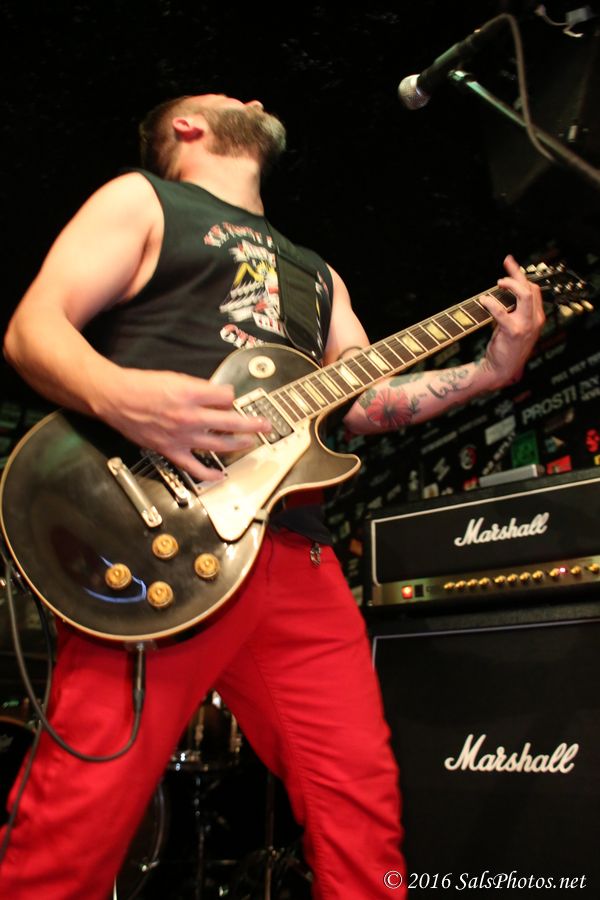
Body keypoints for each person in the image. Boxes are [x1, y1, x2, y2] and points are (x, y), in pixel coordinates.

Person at [0, 93, 544, 899]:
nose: (253, 100)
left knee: (361, 812)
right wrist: (120, 395)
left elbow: (364, 402)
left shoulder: (318, 272)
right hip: (158, 543)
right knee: (73, 826)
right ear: (185, 127)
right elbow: (32, 329)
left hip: (296, 554)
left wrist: (489, 373)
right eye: (229, 96)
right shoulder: (143, 200)